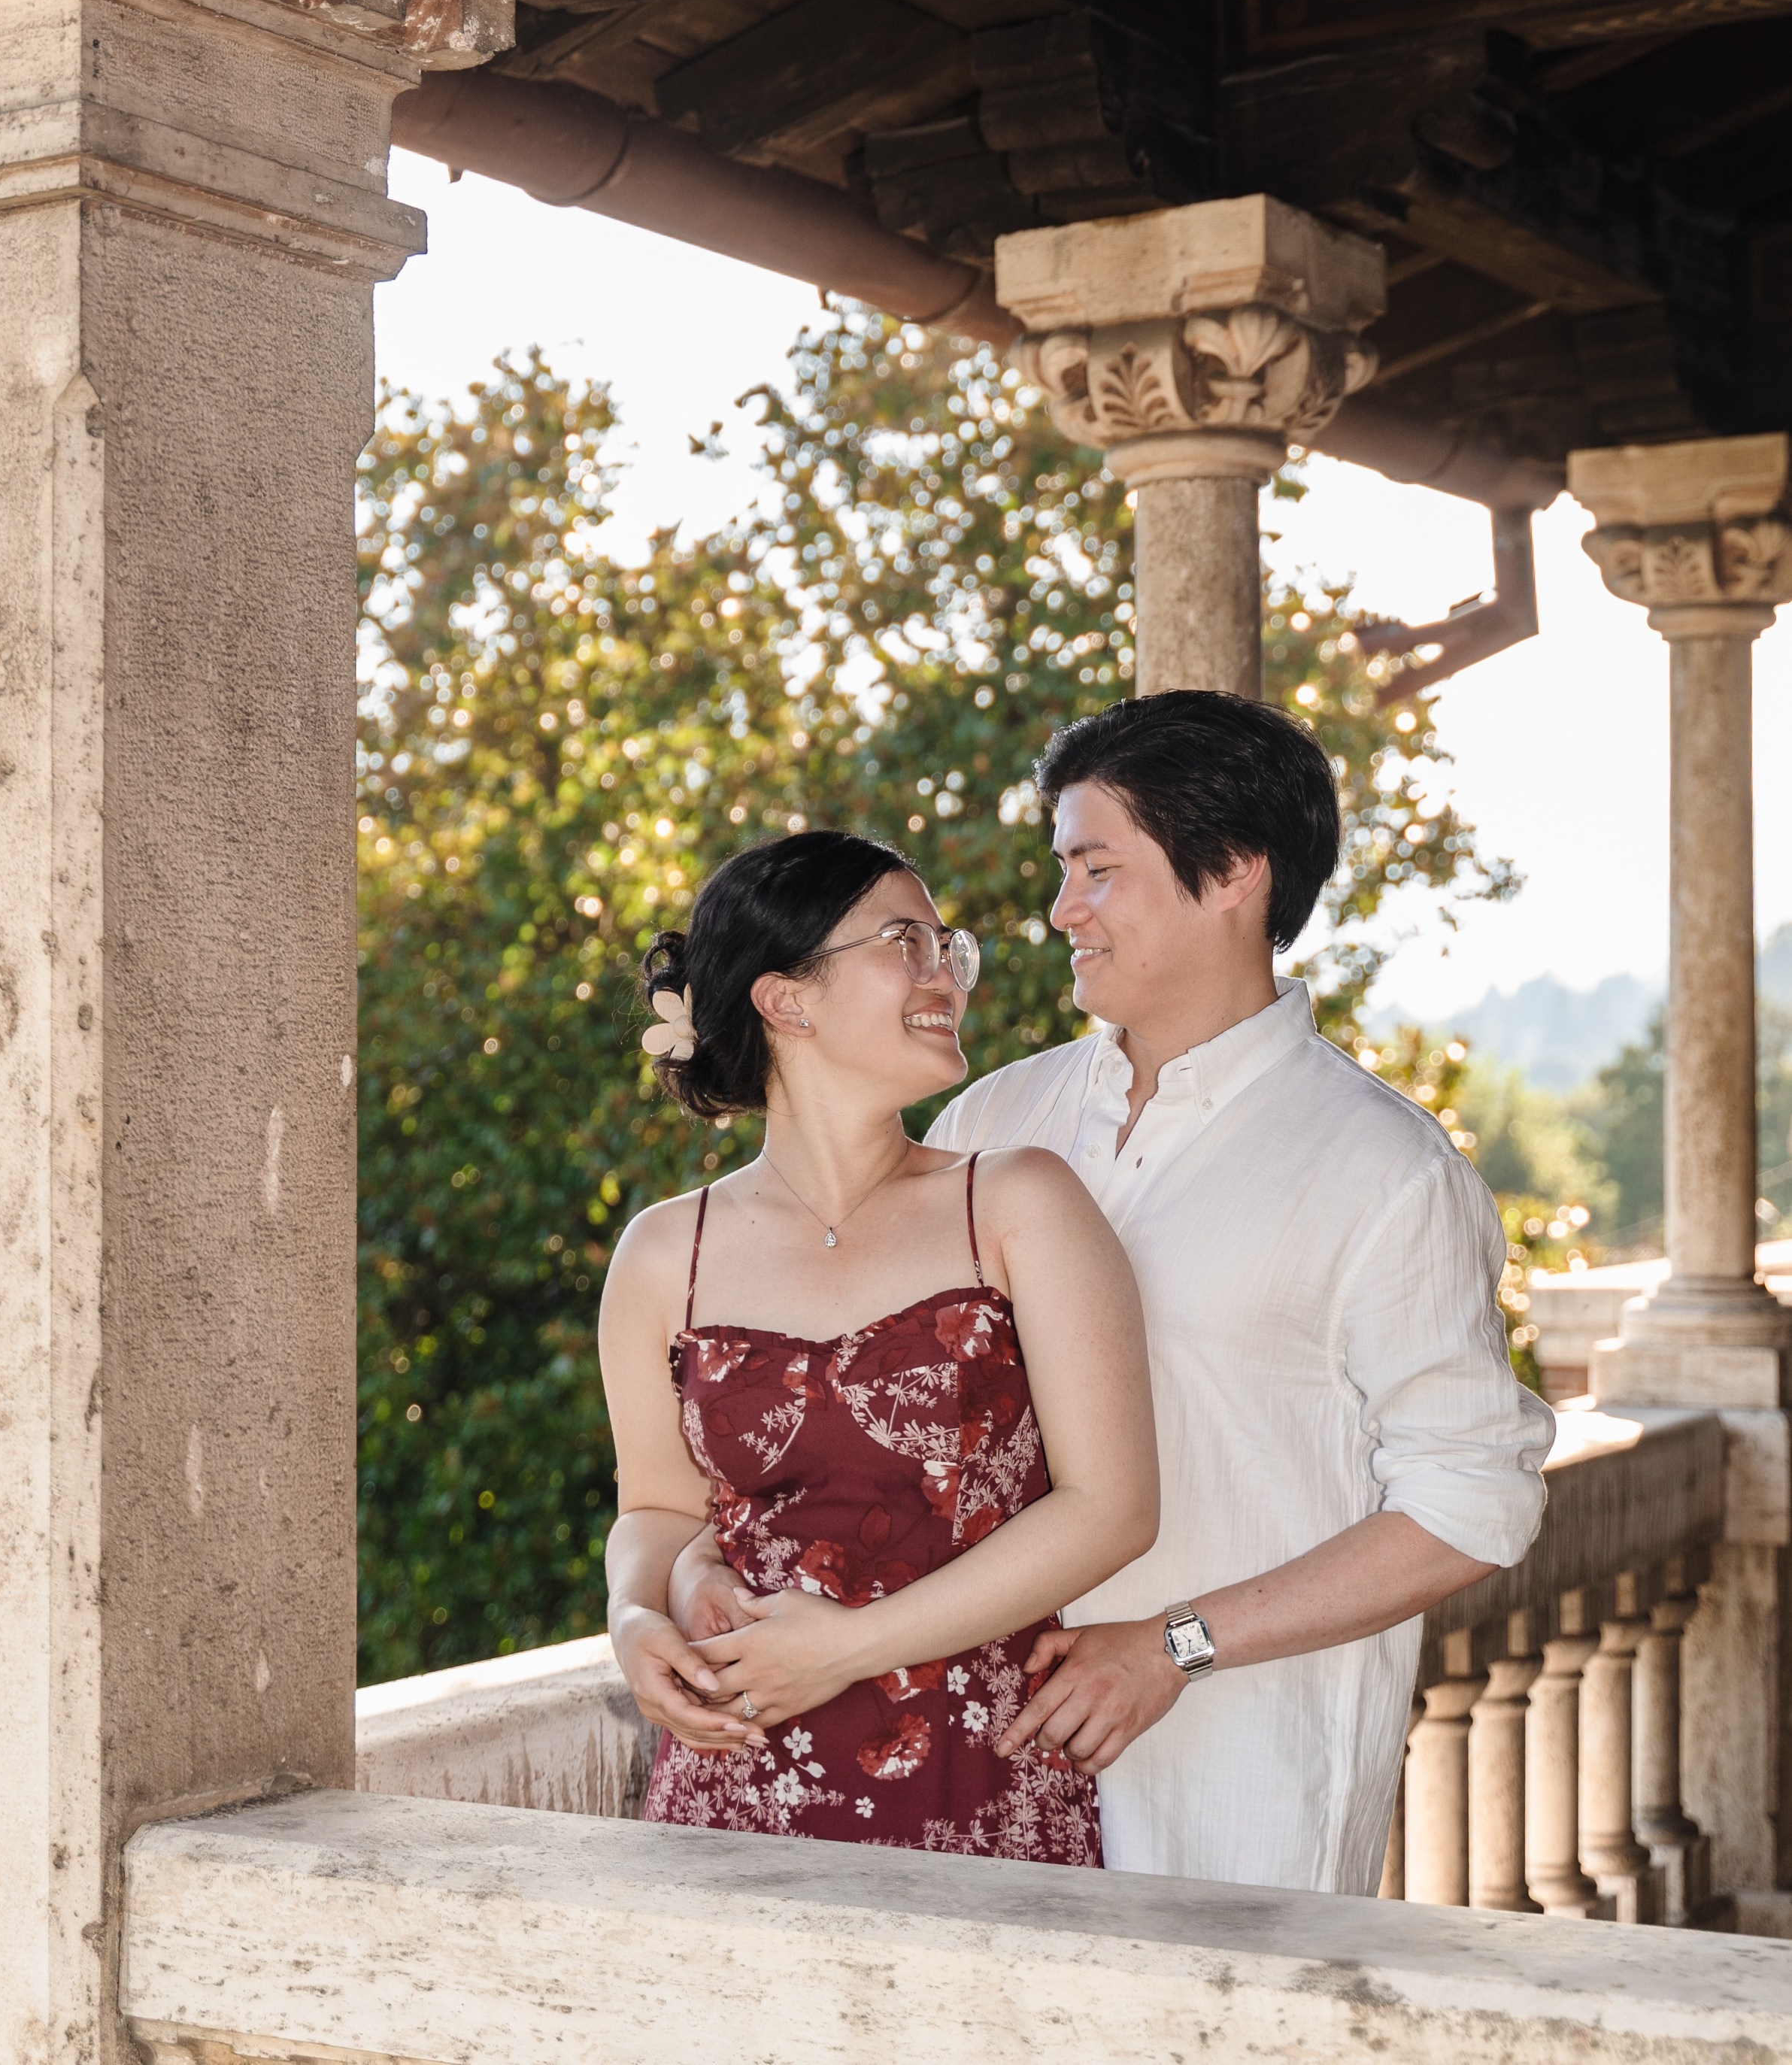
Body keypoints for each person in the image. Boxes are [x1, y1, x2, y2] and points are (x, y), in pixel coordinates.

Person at [674, 693, 1554, 1896]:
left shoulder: (1385, 1170)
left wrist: (1176, 1645)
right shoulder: (996, 1118)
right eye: (1060, 869)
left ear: (1235, 870)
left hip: (1234, 1789)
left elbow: (1472, 1502)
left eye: (1096, 867)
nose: (1059, 910)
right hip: (968, 1777)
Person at [597, 826, 1159, 1862]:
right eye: (906, 939)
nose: (945, 972)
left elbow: (1113, 1508)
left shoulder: (1020, 1200)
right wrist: (641, 1612)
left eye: (950, 948)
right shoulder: (663, 1253)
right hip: (737, 1779)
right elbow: (657, 1510)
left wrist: (849, 1650)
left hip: (976, 1772)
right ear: (787, 998)